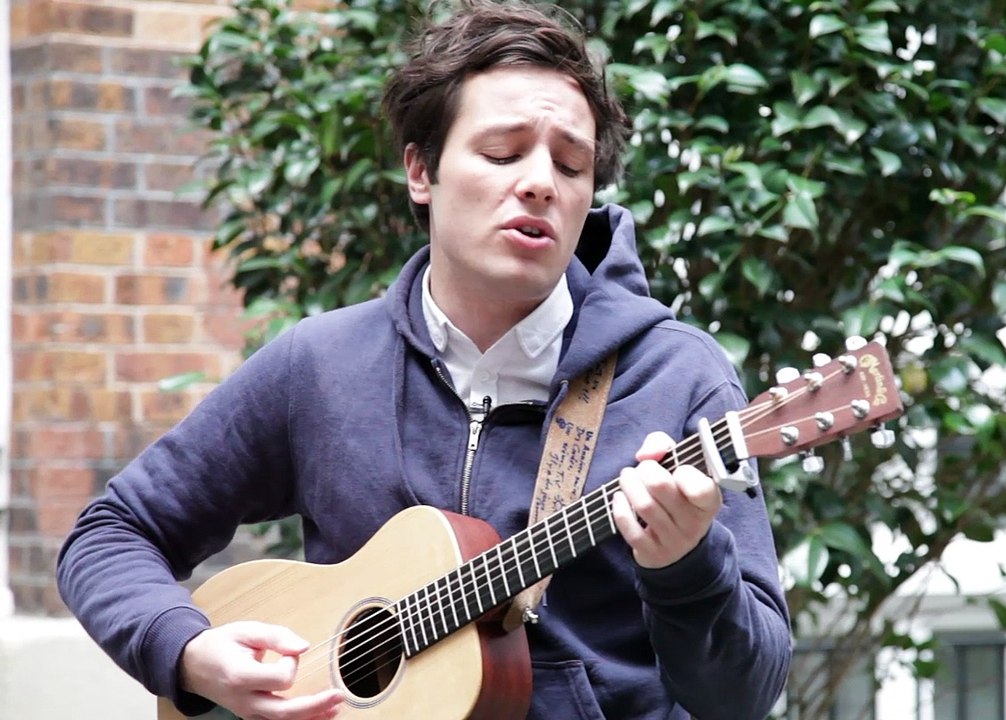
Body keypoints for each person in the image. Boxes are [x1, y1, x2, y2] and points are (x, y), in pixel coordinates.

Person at [56, 1, 792, 718]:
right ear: (421, 171)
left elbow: (745, 695)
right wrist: (187, 652)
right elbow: (112, 532)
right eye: (503, 153)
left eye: (570, 166)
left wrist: (687, 567)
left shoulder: (680, 379)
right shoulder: (321, 365)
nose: (539, 181)